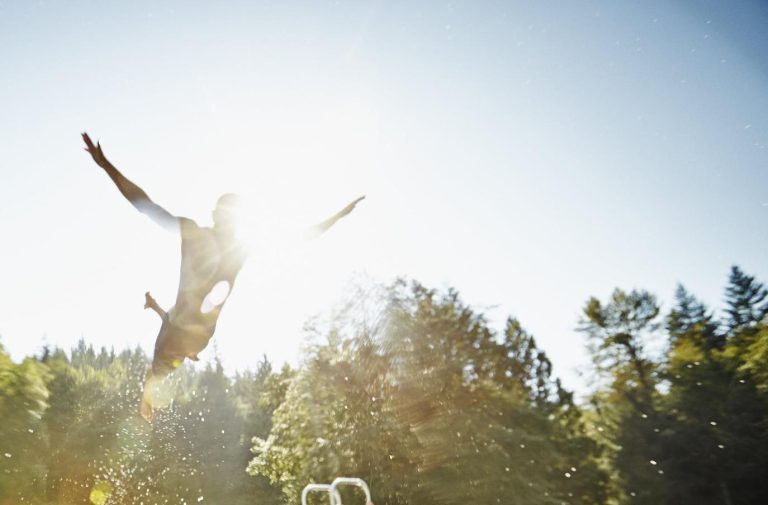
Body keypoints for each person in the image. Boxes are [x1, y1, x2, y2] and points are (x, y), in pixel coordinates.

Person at [82, 133, 364, 422]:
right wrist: (107, 166)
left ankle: (153, 378)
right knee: (161, 355)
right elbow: (145, 204)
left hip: (189, 334)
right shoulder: (211, 239)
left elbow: (298, 238)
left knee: (165, 345)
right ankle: (150, 388)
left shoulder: (232, 247)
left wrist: (337, 216)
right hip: (187, 334)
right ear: (217, 216)